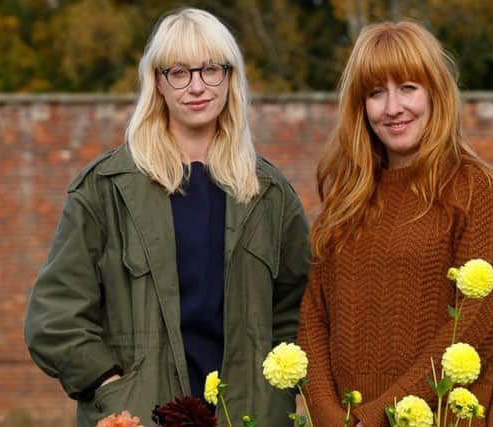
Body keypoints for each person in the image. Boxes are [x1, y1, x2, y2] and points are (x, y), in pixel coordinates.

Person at [24, 8, 311, 427]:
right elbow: (53, 316)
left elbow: (300, 308)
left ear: (231, 78)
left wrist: (274, 390)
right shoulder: (106, 188)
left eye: (210, 69)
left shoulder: (269, 193)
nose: (196, 86)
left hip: (246, 413)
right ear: (157, 82)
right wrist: (107, 383)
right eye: (179, 72)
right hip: (142, 413)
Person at [298, 20, 493, 427]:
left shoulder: (473, 190)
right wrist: (331, 418)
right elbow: (313, 317)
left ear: (435, 93)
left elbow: (477, 323)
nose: (392, 107)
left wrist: (380, 415)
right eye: (376, 93)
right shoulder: (347, 199)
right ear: (361, 106)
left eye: (408, 88)